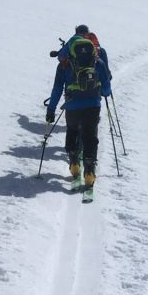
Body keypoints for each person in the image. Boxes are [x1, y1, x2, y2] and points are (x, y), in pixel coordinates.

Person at [46, 24, 112, 187]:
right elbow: (106, 88)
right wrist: (103, 92)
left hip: (72, 104)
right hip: (93, 104)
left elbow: (56, 89)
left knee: (73, 130)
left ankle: (74, 161)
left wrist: (51, 109)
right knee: (90, 135)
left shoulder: (64, 63)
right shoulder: (97, 60)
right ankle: (89, 171)